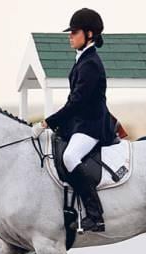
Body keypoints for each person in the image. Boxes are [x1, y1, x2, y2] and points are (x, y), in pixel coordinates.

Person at [31, 8, 120, 232]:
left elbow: (77, 102)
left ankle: (95, 214)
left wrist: (46, 123)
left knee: (70, 156)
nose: (70, 36)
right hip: (81, 123)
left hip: (92, 125)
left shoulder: (90, 63)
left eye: (74, 32)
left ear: (89, 34)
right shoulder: (83, 59)